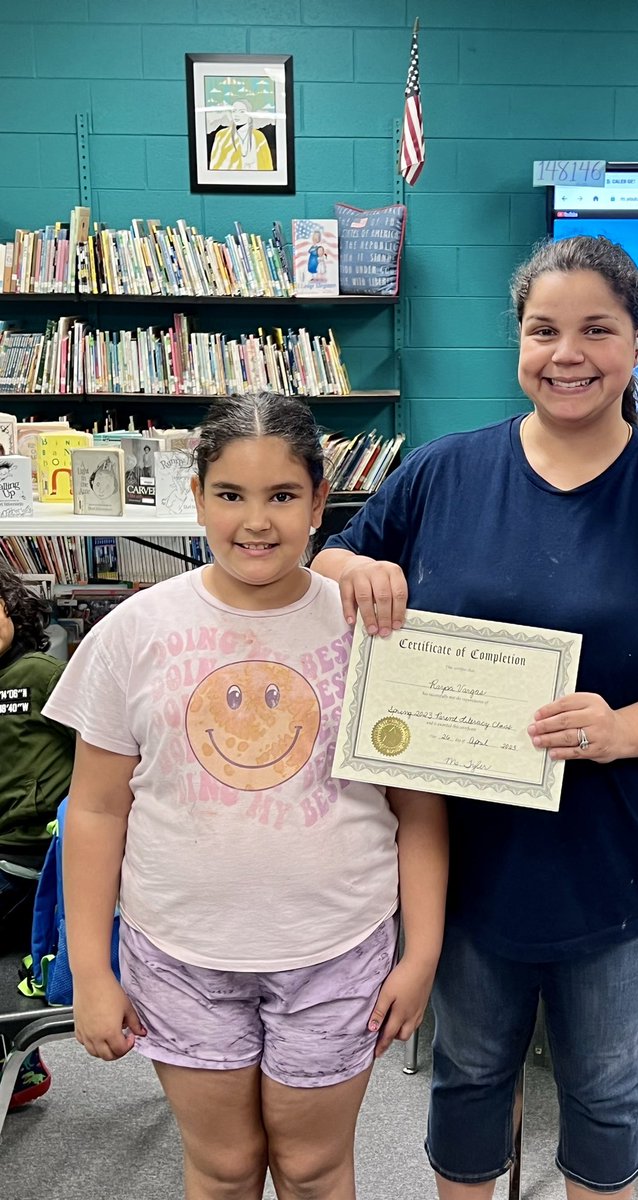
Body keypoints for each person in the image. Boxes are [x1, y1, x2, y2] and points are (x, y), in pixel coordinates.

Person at [312, 235, 638, 1199]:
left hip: (623, 864)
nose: (567, 354)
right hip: (468, 858)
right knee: (471, 1072)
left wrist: (622, 730)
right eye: (543, 331)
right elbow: (329, 562)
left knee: (606, 1087)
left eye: (595, 331)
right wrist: (353, 566)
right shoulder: (444, 474)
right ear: (519, 343)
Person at [43, 392, 447, 1200]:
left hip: (337, 951)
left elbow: (418, 808)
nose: (255, 521)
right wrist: (91, 967)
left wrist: (423, 951)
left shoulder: (369, 626)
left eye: (282, 496)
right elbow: (93, 809)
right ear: (196, 498)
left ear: (320, 502)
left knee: (313, 1168)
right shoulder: (134, 629)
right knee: (223, 1169)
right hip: (180, 954)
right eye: (230, 495)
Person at [0, 562, 75, 1108]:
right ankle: (20, 1060)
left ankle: (19, 1057)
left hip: (33, 843)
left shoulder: (38, 673)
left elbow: (95, 741)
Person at [208, 100, 274, 173]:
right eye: (234, 111)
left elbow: (267, 164)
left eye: (242, 111)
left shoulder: (259, 136)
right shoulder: (222, 135)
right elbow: (215, 164)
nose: (236, 114)